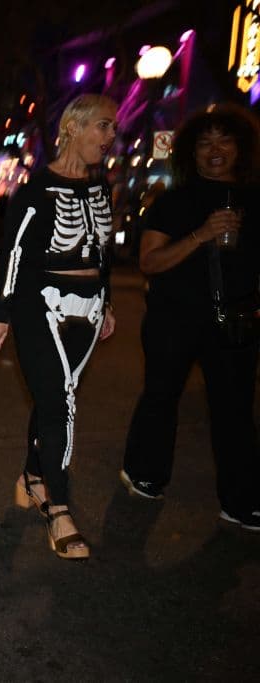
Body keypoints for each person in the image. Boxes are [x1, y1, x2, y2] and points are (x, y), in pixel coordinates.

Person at [0, 93, 118, 560]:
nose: (109, 138)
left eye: (113, 130)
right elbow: (14, 253)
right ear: (74, 127)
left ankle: (32, 477)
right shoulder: (36, 191)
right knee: (59, 401)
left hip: (90, 309)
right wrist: (0, 313)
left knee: (54, 396)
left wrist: (109, 302)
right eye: (102, 127)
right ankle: (59, 507)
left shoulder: (101, 189)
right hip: (40, 306)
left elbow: (103, 252)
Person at [121, 103, 260, 531]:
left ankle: (240, 501)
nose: (214, 150)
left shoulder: (256, 199)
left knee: (234, 410)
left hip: (235, 321)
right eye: (204, 143)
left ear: (240, 148)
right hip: (174, 319)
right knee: (162, 396)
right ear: (190, 152)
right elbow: (150, 262)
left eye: (224, 141)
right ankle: (146, 472)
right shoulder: (173, 201)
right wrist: (201, 235)